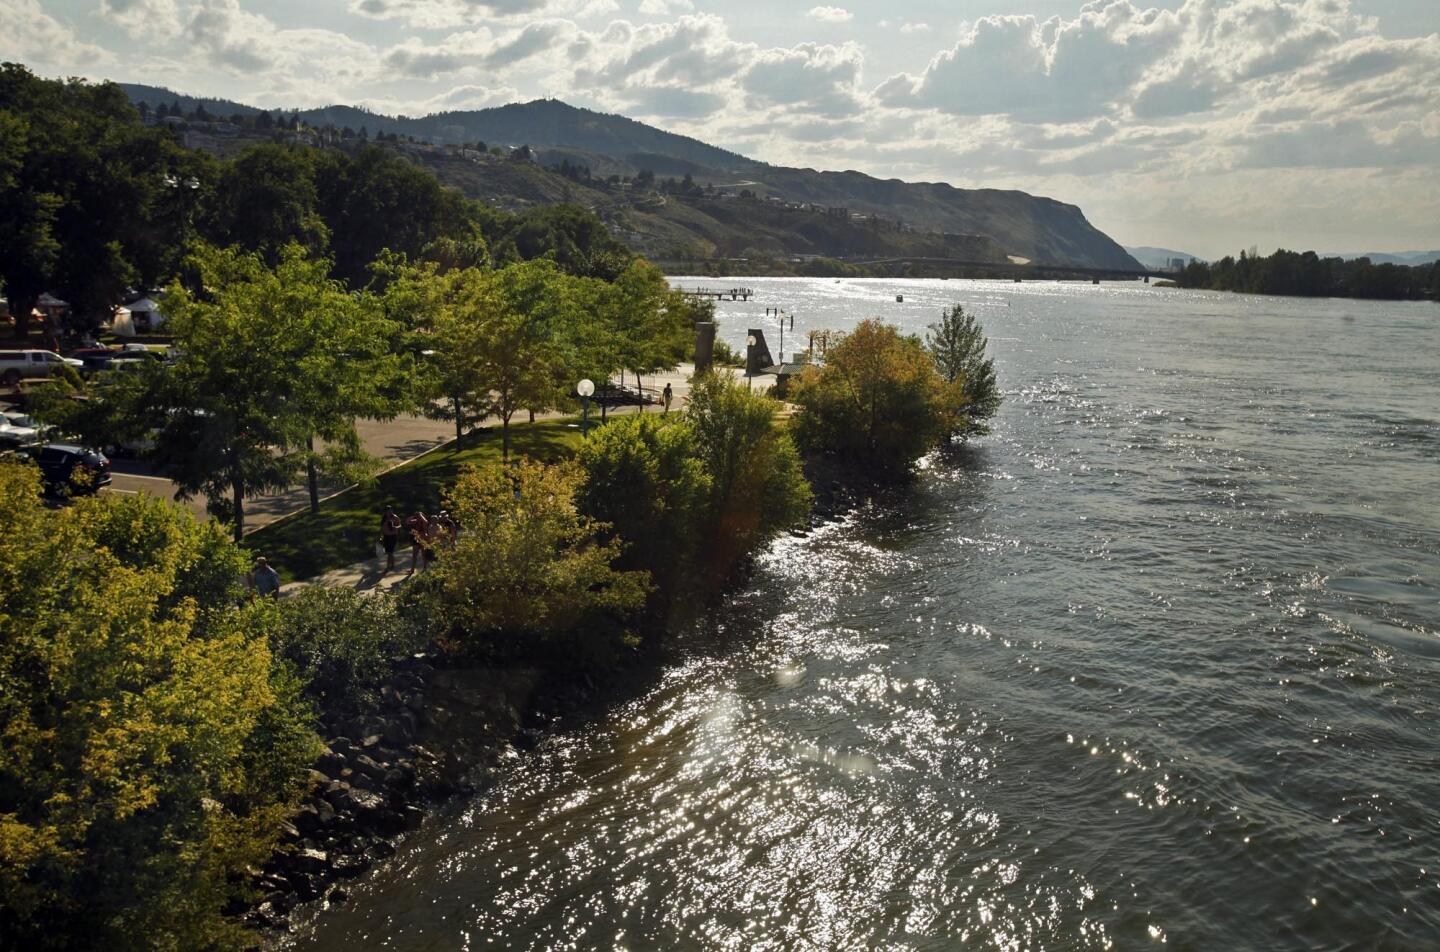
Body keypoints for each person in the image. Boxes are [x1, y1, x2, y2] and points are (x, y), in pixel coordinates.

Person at [405, 510, 430, 575]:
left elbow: (426, 522)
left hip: (423, 539)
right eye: (417, 515)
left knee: (423, 554)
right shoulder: (415, 521)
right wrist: (414, 516)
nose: (418, 516)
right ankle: (412, 569)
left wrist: (421, 515)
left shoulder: (424, 521)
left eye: (419, 515)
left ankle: (424, 568)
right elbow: (407, 522)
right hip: (416, 539)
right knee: (414, 555)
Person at [379, 505, 402, 571]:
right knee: (388, 552)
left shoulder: (395, 517)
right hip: (386, 536)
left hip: (393, 536)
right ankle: (392, 565)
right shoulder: (384, 518)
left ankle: (388, 566)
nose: (390, 512)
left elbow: (400, 525)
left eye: (391, 510)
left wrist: (396, 527)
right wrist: (380, 537)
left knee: (390, 552)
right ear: (385, 511)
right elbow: (382, 528)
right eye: (388, 510)